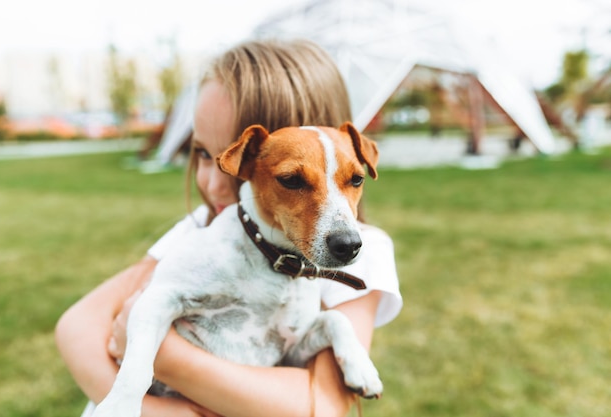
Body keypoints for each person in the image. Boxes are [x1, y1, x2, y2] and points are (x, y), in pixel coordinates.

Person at [55, 38, 402, 417]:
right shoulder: (200, 232)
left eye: (352, 179)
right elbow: (78, 326)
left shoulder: (359, 251)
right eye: (203, 153)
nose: (220, 182)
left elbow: (322, 406)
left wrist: (168, 361)